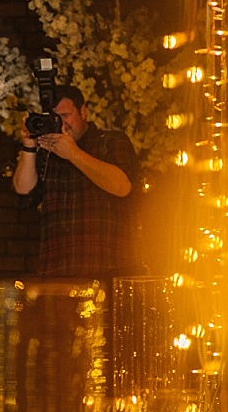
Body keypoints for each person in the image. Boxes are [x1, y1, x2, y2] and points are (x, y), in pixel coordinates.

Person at [11, 85, 140, 279]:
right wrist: (29, 147)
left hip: (107, 270)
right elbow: (24, 194)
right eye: (54, 118)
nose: (61, 124)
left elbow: (123, 186)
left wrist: (73, 154)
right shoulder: (47, 153)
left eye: (65, 116)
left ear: (83, 112)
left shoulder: (110, 142)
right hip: (58, 275)